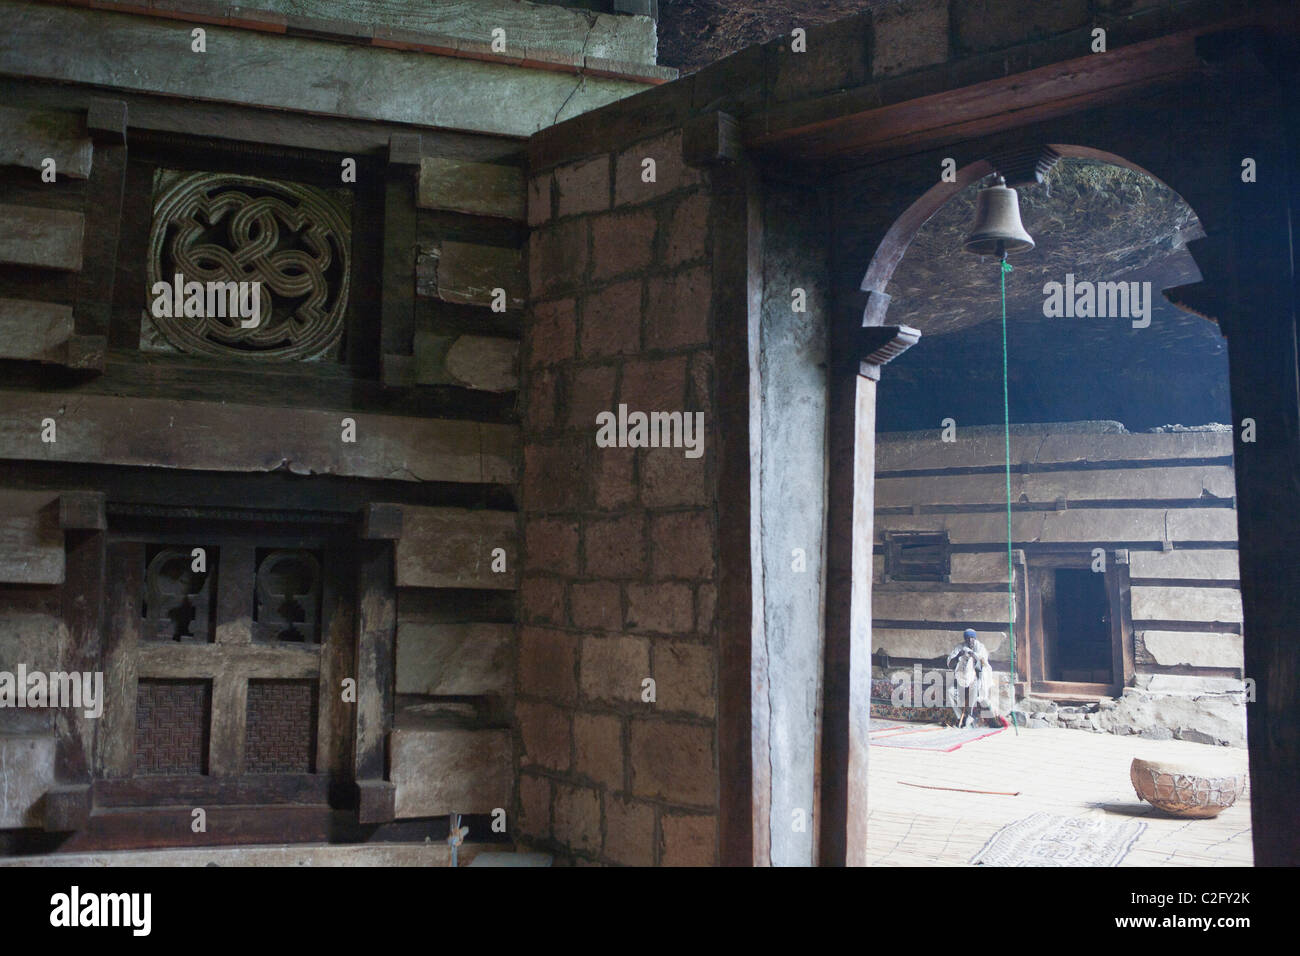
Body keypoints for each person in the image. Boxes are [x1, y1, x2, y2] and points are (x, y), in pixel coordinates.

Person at [947, 627, 994, 728]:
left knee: (975, 688)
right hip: (961, 678)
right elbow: (951, 664)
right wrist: (959, 655)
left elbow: (983, 665)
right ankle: (960, 717)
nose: (970, 640)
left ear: (975, 638)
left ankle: (970, 714)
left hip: (975, 677)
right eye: (968, 638)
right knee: (950, 691)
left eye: (972, 638)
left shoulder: (980, 647)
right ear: (965, 639)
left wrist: (973, 656)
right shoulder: (960, 647)